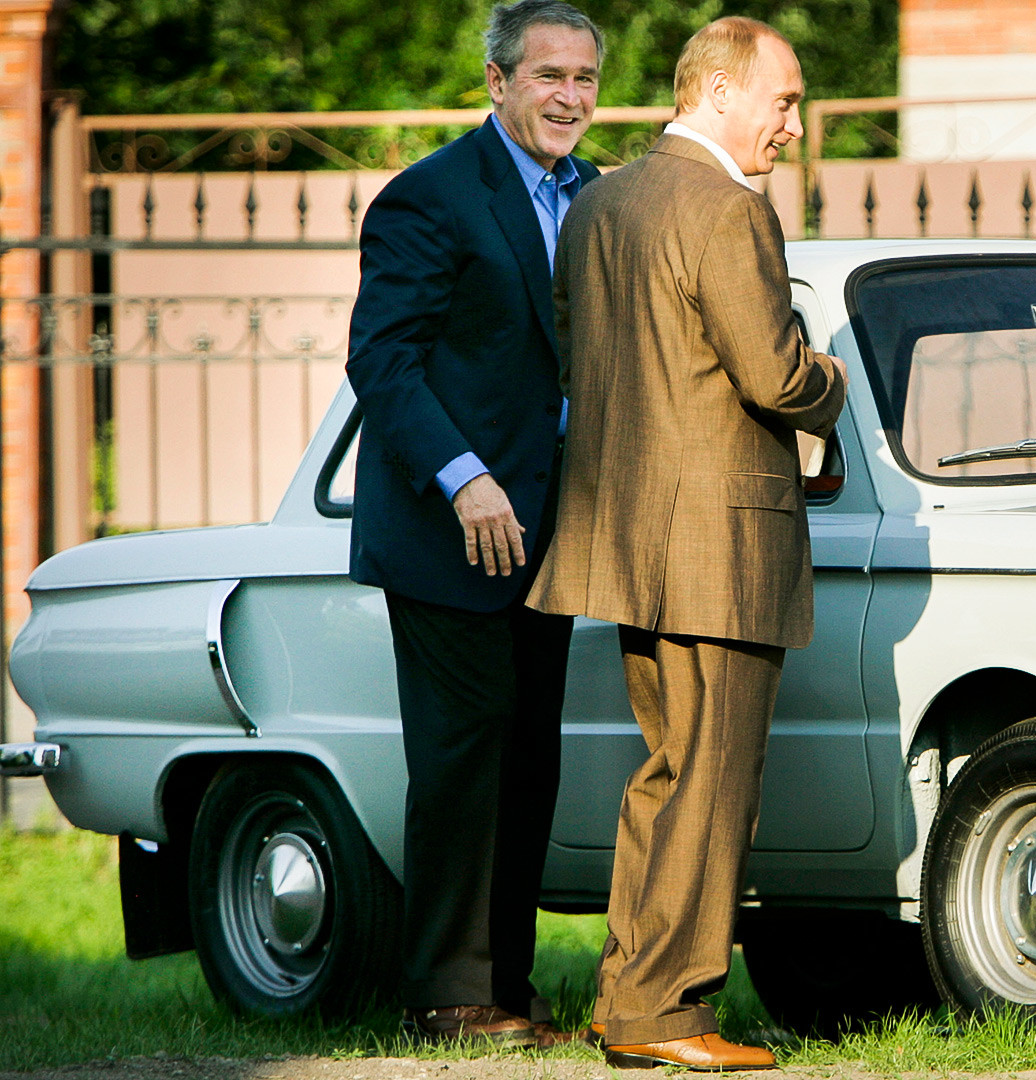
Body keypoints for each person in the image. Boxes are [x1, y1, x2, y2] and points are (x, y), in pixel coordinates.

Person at [527, 15, 848, 1071]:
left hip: (630, 536)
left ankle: (628, 999)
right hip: (721, 545)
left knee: (666, 775)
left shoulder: (600, 204)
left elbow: (585, 359)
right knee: (709, 783)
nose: (791, 125)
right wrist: (836, 381)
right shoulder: (727, 209)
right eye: (783, 100)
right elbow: (774, 375)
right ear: (717, 93)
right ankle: (668, 1016)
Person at [343, 0, 601, 1048]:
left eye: (585, 78)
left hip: (551, 535)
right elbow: (383, 360)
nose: (570, 97)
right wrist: (464, 477)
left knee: (528, 757)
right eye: (549, 76)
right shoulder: (431, 198)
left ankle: (505, 987)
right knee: (462, 761)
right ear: (497, 83)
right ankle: (448, 994)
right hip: (450, 530)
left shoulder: (597, 200)